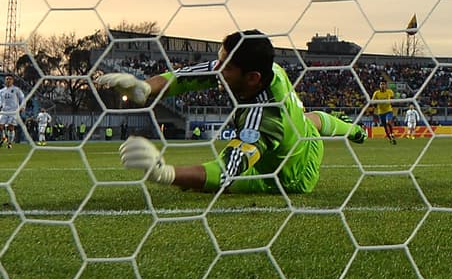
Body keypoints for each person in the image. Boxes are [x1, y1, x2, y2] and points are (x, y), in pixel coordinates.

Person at [96, 30, 364, 195]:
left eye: (225, 66)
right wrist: (145, 87)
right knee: (309, 123)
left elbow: (227, 171)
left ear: (252, 78)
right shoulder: (262, 68)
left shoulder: (266, 118)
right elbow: (186, 77)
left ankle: (350, 129)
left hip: (287, 178)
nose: (216, 70)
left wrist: (167, 174)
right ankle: (354, 129)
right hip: (300, 135)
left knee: (205, 186)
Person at [0, 74, 25, 149]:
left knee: (10, 128)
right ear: (5, 81)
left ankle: (9, 143)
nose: (8, 80)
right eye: (7, 79)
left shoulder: (16, 90)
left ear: (12, 81)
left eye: (10, 79)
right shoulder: (1, 91)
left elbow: (22, 98)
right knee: (0, 127)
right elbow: (1, 101)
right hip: (4, 111)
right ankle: (3, 138)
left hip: (13, 111)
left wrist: (23, 106)